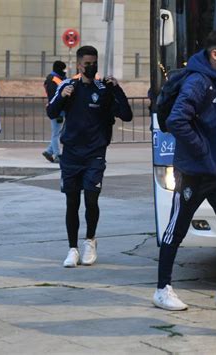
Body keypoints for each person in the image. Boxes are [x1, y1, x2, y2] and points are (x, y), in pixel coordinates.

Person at [153, 30, 216, 311]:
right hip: (195, 171)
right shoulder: (198, 81)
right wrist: (203, 152)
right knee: (176, 229)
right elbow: (177, 120)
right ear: (215, 54)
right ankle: (162, 289)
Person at [47, 45, 133, 268]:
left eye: (94, 63)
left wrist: (117, 90)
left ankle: (90, 241)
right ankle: (72, 249)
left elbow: (126, 115)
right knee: (72, 202)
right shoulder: (68, 86)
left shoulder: (103, 89)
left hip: (94, 154)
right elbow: (51, 112)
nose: (91, 67)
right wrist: (62, 98)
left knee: (91, 199)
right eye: (87, 63)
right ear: (78, 64)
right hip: (71, 155)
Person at [43, 61, 67, 163]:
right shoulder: (53, 80)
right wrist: (57, 110)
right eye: (63, 69)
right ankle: (57, 155)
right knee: (56, 133)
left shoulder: (58, 78)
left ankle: (49, 151)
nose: (65, 71)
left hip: (60, 109)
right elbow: (53, 97)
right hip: (57, 110)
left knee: (58, 132)